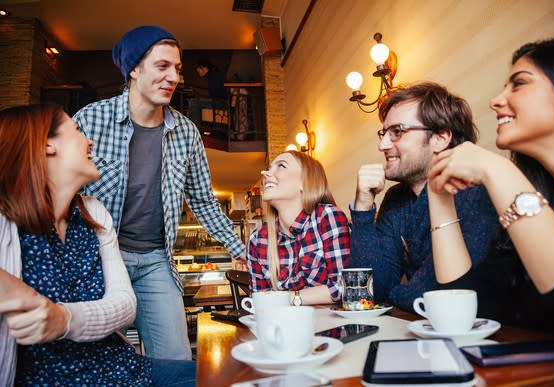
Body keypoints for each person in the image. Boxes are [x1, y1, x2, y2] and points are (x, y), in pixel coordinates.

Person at [73, 25, 245, 360]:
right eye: (162, 66)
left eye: (178, 69)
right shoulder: (91, 119)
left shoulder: (187, 132)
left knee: (176, 360)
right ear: (134, 69)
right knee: (99, 363)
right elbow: (64, 192)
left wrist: (242, 249)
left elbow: (203, 201)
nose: (174, 77)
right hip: (101, 259)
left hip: (155, 261)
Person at [0, 104, 195, 386]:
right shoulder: (6, 223)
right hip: (51, 379)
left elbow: (125, 306)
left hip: (123, 369)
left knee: (228, 376)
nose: (90, 141)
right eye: (77, 131)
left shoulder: (94, 212)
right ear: (46, 145)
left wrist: (64, 318)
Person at [428, 35, 554, 338]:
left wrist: (496, 168)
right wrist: (438, 195)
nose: (495, 100)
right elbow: (471, 308)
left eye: (519, 83)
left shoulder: (507, 182)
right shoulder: (545, 202)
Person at [349, 82, 500, 312]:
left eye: (397, 132)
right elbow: (369, 293)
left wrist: (393, 295)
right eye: (384, 133)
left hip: (490, 337)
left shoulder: (473, 190)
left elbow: (437, 296)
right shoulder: (396, 198)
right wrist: (362, 209)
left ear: (440, 138)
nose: (382, 145)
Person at [247, 151, 351, 305]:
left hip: (331, 327)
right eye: (268, 168)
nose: (266, 174)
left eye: (281, 166)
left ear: (305, 182)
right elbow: (258, 302)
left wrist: (287, 298)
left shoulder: (327, 217)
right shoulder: (257, 239)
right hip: (282, 327)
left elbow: (344, 288)